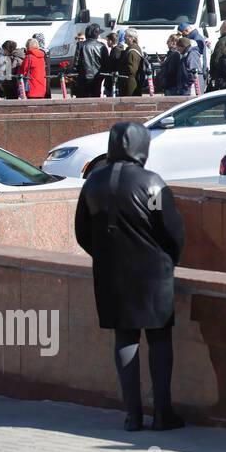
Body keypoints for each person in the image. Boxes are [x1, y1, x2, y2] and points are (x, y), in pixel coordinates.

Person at [74, 122, 187, 430]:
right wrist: (168, 260)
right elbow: (172, 231)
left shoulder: (93, 183)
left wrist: (106, 256)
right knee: (159, 338)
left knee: (125, 338)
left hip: (111, 274)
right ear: (142, 146)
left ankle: (132, 415)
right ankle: (162, 413)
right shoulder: (152, 182)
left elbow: (82, 231)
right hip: (153, 274)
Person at [76, 24, 107, 97]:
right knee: (95, 97)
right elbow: (106, 63)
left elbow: (76, 62)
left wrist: (75, 75)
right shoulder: (102, 46)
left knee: (83, 98)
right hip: (97, 77)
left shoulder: (81, 45)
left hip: (83, 77)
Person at [119, 31, 148, 96]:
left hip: (131, 83)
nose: (124, 38)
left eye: (126, 36)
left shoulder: (132, 51)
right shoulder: (133, 48)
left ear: (131, 38)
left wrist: (122, 68)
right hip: (130, 81)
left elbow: (132, 70)